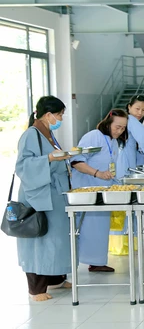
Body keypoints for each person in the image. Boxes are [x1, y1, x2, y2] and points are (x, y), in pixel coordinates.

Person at [15, 96, 72, 301]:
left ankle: (56, 278)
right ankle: (36, 289)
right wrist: (49, 158)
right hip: (37, 195)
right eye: (59, 115)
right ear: (48, 115)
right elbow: (23, 165)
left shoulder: (48, 134)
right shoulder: (31, 135)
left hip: (53, 193)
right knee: (39, 240)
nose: (60, 119)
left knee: (56, 238)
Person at [71, 109, 130, 273]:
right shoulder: (93, 136)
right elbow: (76, 162)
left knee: (100, 227)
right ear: (108, 123)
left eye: (123, 128)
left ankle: (97, 261)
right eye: (117, 127)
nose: (120, 131)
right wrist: (97, 173)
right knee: (86, 227)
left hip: (103, 190)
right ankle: (78, 262)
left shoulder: (113, 141)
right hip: (87, 189)